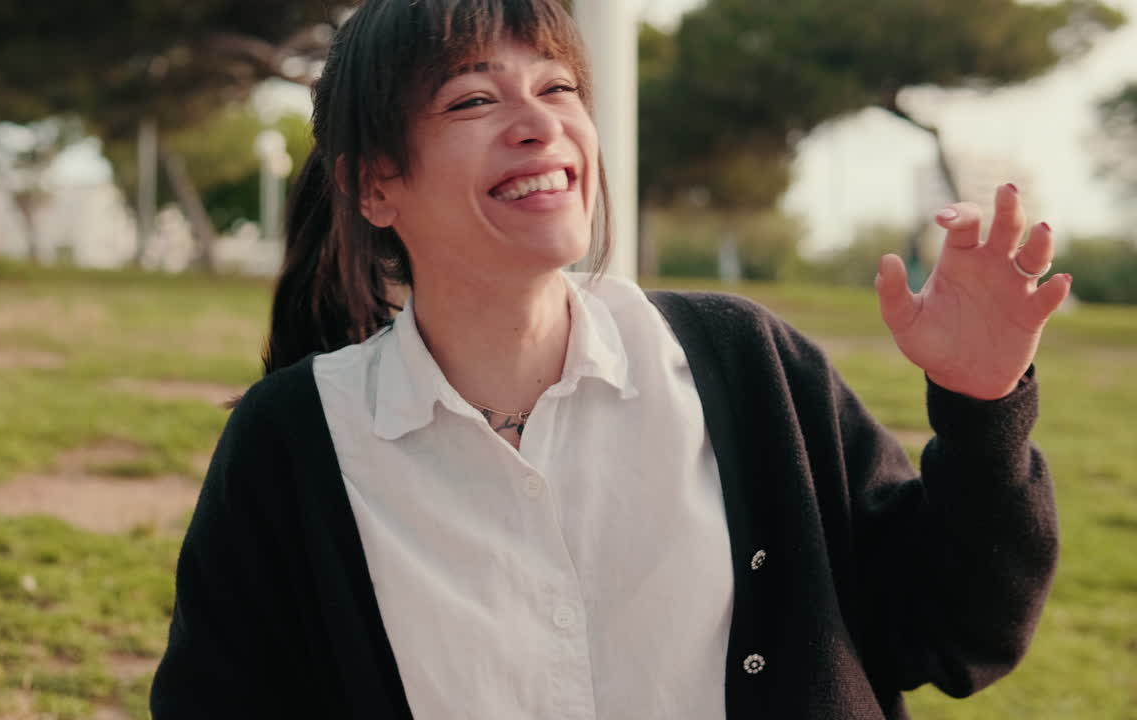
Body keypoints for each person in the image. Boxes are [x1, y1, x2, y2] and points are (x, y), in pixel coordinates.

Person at [150, 0, 1072, 717]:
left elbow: (955, 633)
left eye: (558, 89)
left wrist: (981, 407)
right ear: (373, 184)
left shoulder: (745, 364)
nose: (538, 123)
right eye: (473, 99)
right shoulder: (293, 443)